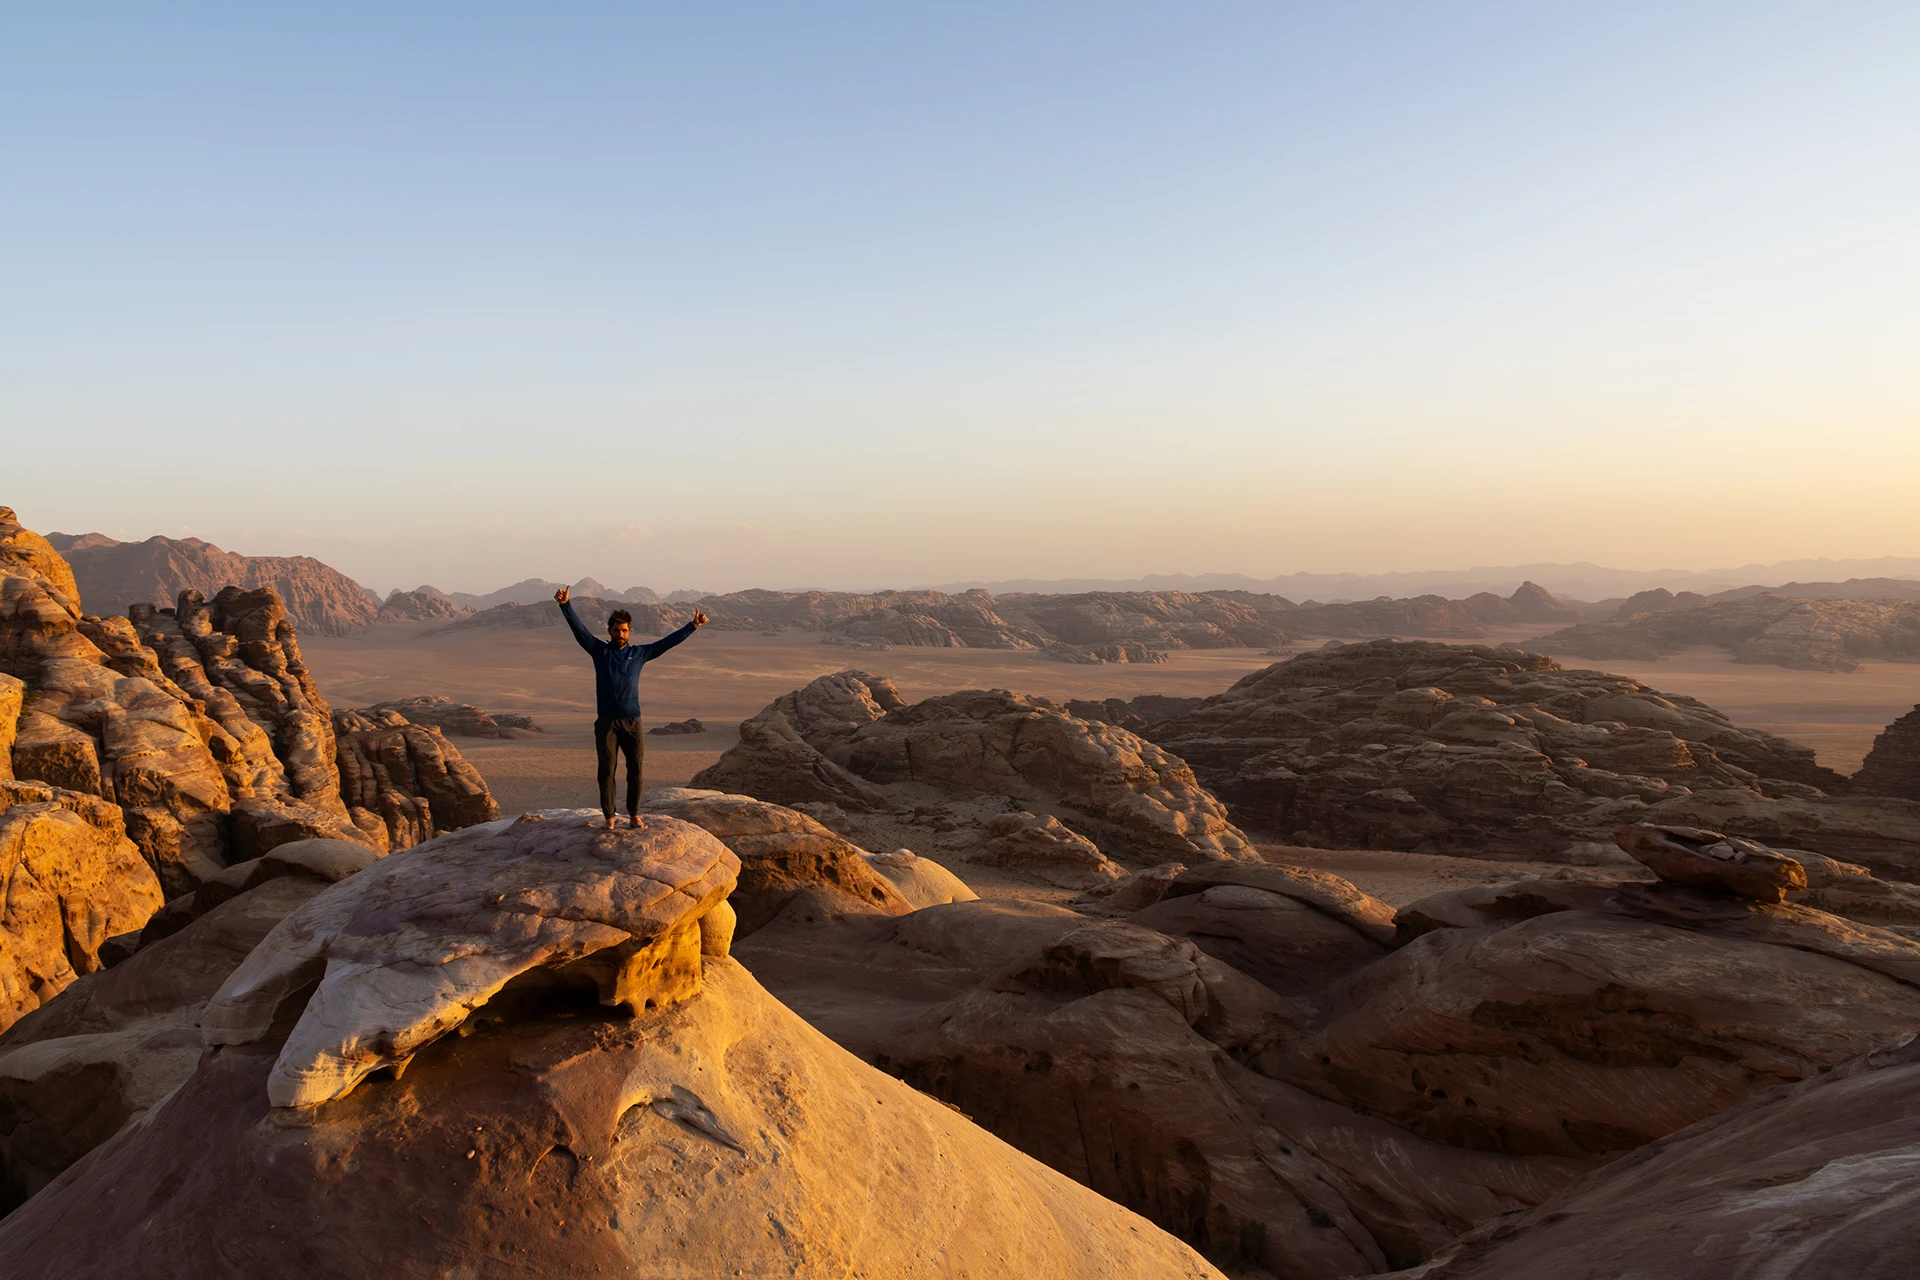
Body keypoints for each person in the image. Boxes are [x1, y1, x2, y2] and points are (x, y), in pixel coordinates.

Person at [554, 586, 707, 828]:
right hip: (606, 722)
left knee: (636, 770)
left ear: (630, 631)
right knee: (606, 772)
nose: (620, 634)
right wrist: (566, 606)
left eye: (624, 630)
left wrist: (692, 626)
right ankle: (610, 818)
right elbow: (580, 631)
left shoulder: (640, 653)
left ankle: (634, 815)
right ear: (609, 631)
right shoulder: (600, 651)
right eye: (616, 630)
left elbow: (667, 643)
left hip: (633, 721)